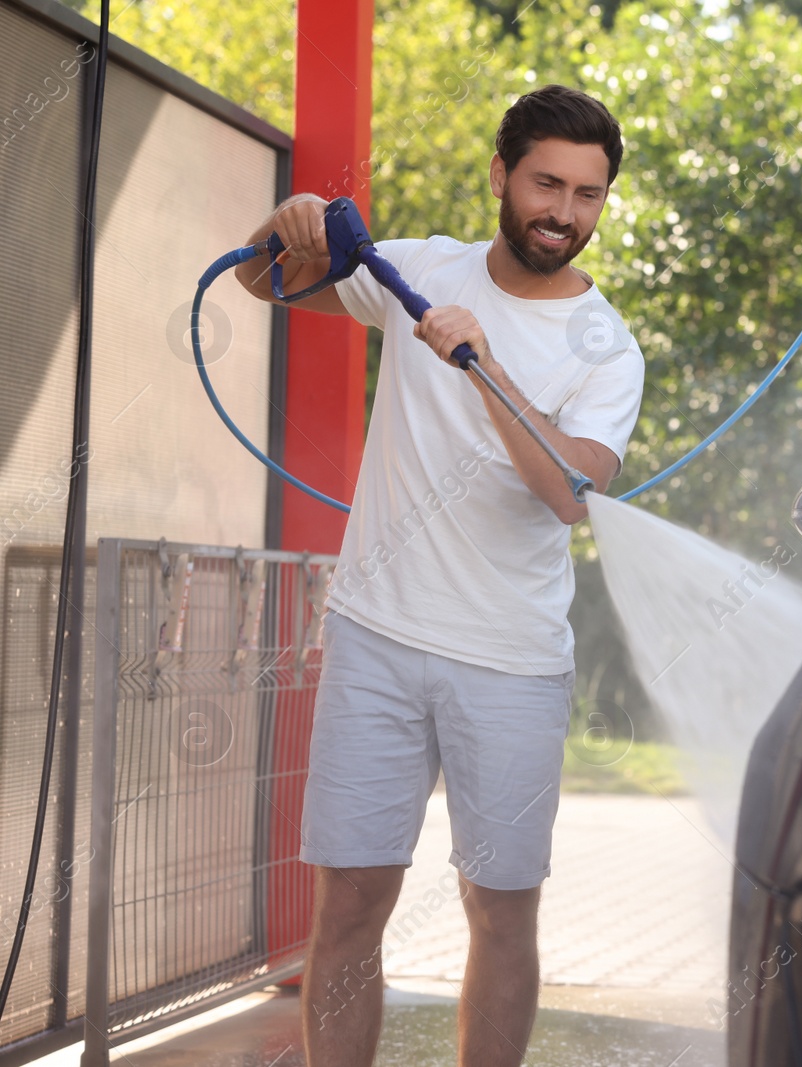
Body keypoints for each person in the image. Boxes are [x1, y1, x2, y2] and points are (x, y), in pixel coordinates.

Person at [234, 84, 645, 1067]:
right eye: (547, 182)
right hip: (377, 635)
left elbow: (566, 492)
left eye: (587, 194)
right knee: (348, 906)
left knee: (501, 909)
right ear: (502, 176)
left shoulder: (608, 347)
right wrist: (281, 229)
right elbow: (263, 283)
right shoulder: (421, 267)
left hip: (511, 661)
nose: (563, 211)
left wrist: (484, 365)